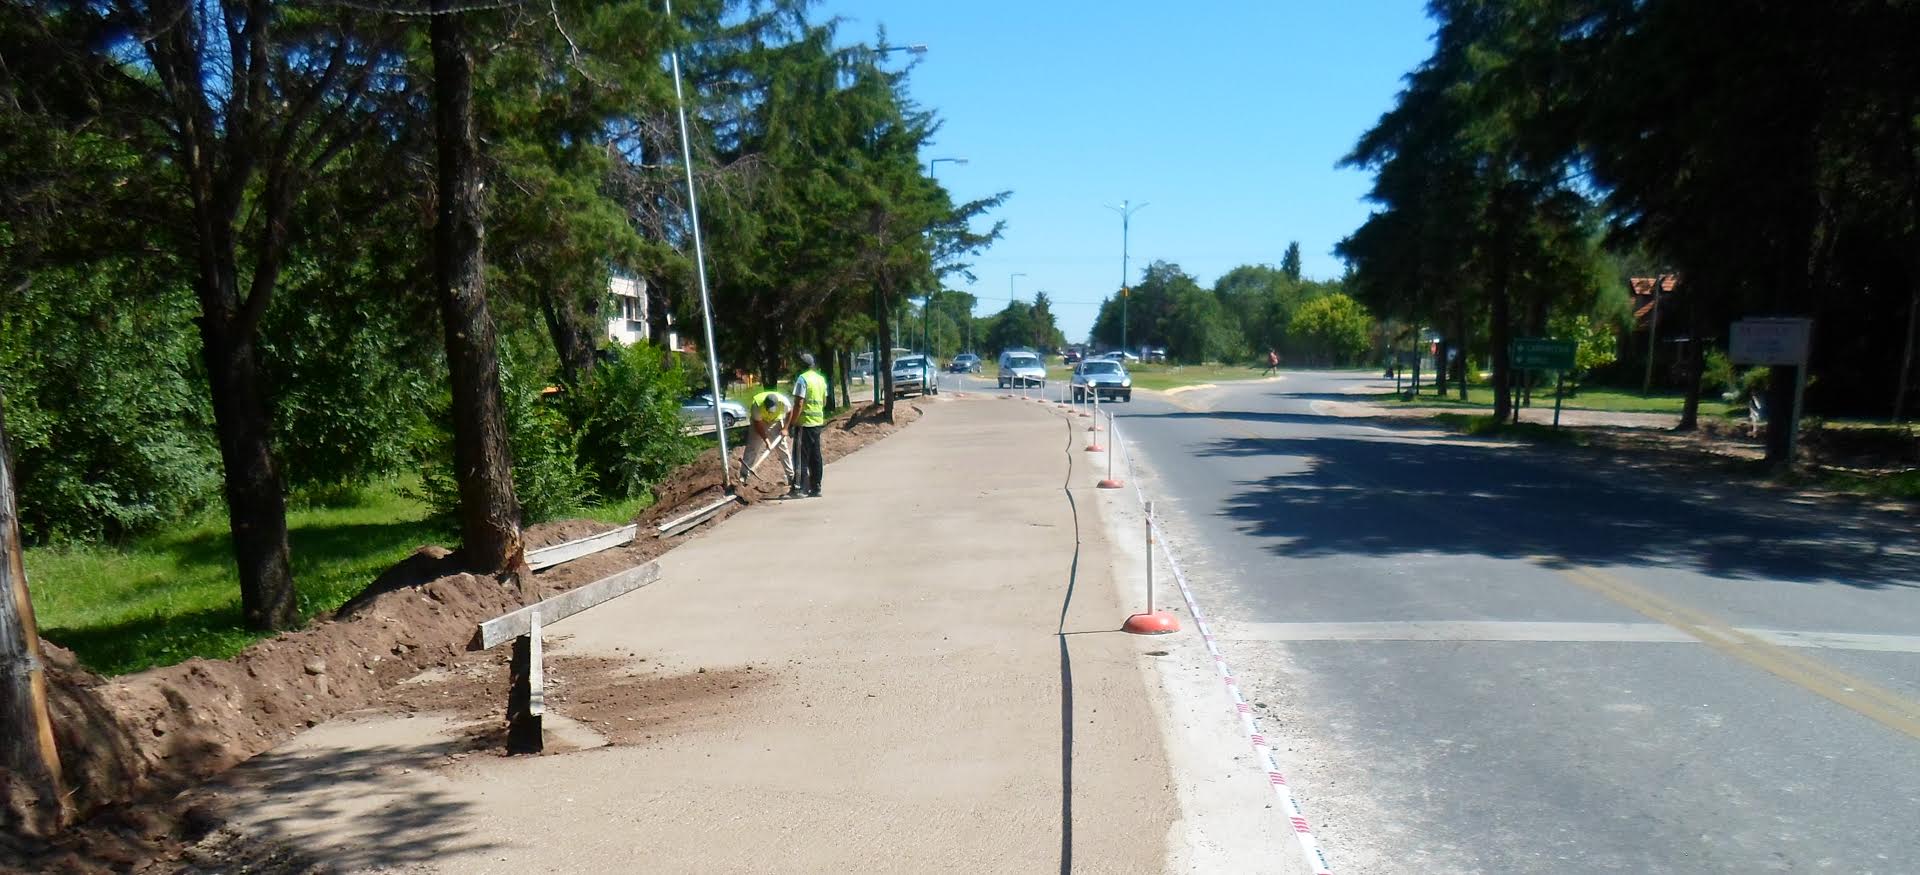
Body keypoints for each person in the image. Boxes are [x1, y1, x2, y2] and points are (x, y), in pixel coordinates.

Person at [788, 352, 828, 498]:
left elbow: (799, 403)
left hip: (804, 424)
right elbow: (824, 401)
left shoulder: (802, 379)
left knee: (800, 457)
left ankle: (798, 488)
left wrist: (792, 423)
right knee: (815, 456)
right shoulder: (820, 379)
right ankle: (816, 487)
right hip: (817, 423)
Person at [744, 388, 795, 490]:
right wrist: (766, 440)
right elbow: (758, 425)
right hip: (759, 422)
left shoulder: (783, 402)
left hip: (776, 422)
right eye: (769, 409)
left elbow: (790, 413)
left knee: (783, 449)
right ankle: (744, 475)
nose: (770, 411)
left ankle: (791, 477)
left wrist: (785, 428)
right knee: (752, 447)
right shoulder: (757, 405)